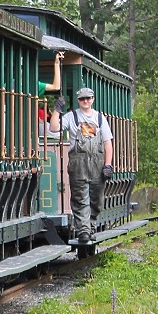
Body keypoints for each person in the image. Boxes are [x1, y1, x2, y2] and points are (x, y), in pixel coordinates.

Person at [57, 87, 114, 243]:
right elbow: (54, 128)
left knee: (97, 199)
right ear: (78, 101)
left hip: (97, 164)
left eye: (88, 98)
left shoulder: (100, 119)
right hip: (79, 164)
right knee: (80, 198)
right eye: (83, 99)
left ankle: (91, 226)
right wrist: (57, 111)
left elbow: (108, 143)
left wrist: (108, 165)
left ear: (93, 99)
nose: (86, 101)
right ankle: (83, 231)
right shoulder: (71, 117)